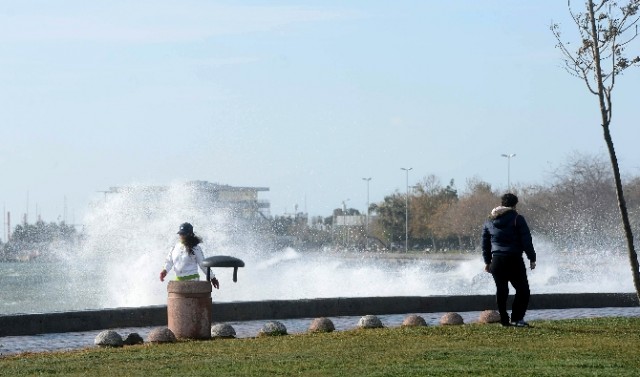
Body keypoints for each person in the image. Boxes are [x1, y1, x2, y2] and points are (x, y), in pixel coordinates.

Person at [482, 193, 536, 327]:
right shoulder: (517, 218)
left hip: (497, 261)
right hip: (514, 260)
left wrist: (487, 261)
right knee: (523, 290)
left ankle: (504, 321)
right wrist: (532, 258)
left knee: (501, 291)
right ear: (514, 205)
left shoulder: (490, 220)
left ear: (501, 203)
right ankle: (517, 319)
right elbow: (526, 241)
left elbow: (485, 243)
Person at [160, 222, 219, 289]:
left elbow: (203, 265)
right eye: (180, 233)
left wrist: (212, 278)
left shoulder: (196, 248)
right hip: (178, 281)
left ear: (190, 234)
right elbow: (169, 262)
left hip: (192, 280)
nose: (182, 236)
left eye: (184, 234)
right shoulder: (175, 247)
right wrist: (164, 271)